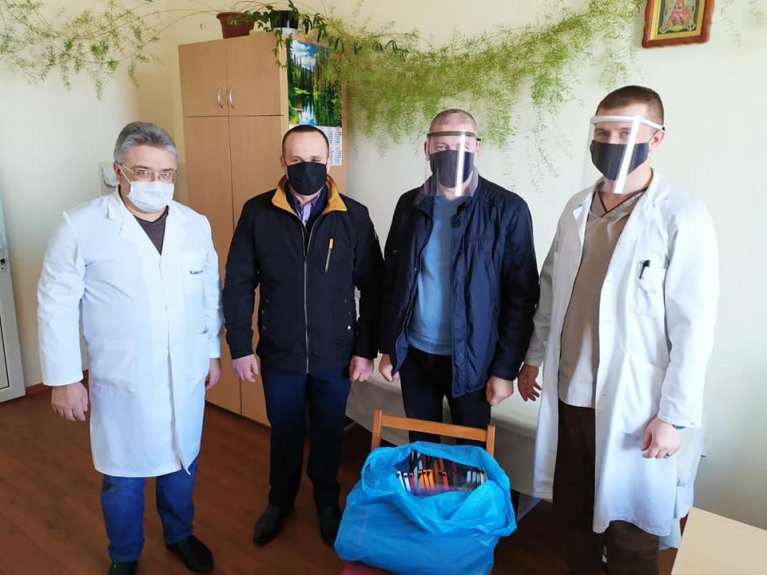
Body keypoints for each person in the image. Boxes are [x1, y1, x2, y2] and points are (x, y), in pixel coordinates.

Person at [517, 85, 718, 575]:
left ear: (656, 138)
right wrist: (533, 357)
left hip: (636, 403)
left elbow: (694, 328)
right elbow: (550, 290)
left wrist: (673, 417)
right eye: (602, 132)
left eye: (625, 133)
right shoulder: (576, 208)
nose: (610, 143)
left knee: (631, 527)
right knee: (572, 511)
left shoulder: (681, 215)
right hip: (569, 391)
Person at [37, 122, 222, 575]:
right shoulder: (81, 226)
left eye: (166, 174)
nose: (156, 183)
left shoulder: (194, 225)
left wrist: (211, 352)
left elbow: (208, 295)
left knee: (183, 462)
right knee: (123, 476)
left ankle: (179, 534)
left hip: (185, 370)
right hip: (124, 377)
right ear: (118, 171)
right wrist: (64, 379)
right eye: (143, 172)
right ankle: (124, 554)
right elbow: (55, 304)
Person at [222, 124, 383, 548]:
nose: (306, 167)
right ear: (283, 163)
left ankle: (327, 501)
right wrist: (240, 346)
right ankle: (280, 501)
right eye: (296, 160)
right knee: (286, 433)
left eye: (314, 160)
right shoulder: (258, 213)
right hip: (281, 352)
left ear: (328, 162)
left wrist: (365, 348)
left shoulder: (354, 215)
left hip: (335, 354)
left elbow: (374, 286)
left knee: (329, 432)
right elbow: (238, 282)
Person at [378, 109, 539, 442]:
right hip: (415, 355)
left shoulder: (507, 209)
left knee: (471, 452)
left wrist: (505, 369)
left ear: (477, 148)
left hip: (474, 359)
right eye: (442, 146)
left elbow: (521, 298)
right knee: (422, 449)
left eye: (462, 146)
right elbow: (393, 281)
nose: (452, 154)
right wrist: (391, 348)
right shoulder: (409, 204)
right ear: (427, 149)